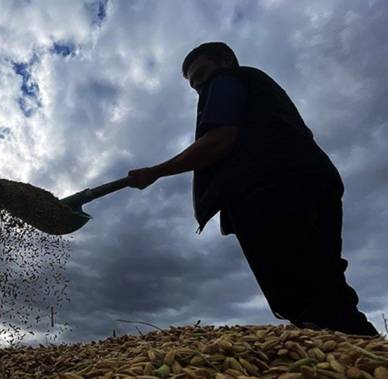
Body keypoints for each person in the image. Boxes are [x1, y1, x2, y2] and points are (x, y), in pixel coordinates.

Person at [127, 42, 379, 336]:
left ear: (226, 61)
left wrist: (155, 172)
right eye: (195, 85)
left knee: (303, 295)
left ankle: (355, 367)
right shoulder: (265, 92)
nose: (202, 87)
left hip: (272, 189)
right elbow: (296, 135)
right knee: (324, 284)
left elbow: (221, 138)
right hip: (313, 182)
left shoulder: (227, 80)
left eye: (203, 74)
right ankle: (365, 363)